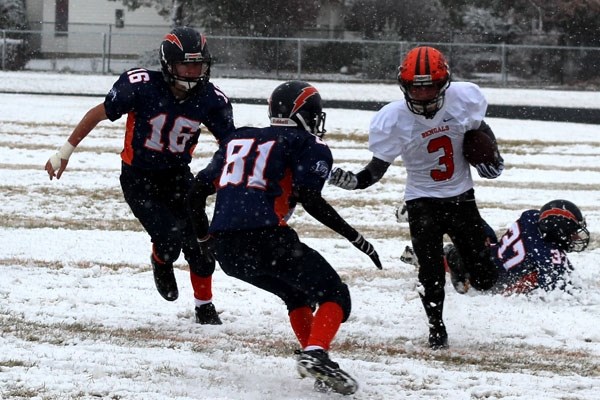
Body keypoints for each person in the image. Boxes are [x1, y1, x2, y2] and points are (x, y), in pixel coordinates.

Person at [186, 80, 382, 395]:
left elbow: (196, 192)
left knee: (296, 295)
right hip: (266, 238)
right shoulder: (307, 144)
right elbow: (310, 198)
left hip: (227, 249)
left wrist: (205, 241)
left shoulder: (237, 138)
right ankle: (316, 352)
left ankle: (316, 359)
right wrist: (356, 237)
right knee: (335, 294)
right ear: (306, 114)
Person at [44, 26, 234, 325]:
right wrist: (64, 151)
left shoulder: (211, 99)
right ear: (168, 65)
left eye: (199, 64)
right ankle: (161, 260)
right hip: (139, 178)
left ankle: (204, 306)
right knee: (169, 240)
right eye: (187, 63)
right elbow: (98, 112)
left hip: (177, 175)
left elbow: (232, 146)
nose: (194, 70)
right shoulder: (142, 85)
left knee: (200, 242)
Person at [328, 46, 504, 350]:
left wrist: (493, 158)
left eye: (430, 88)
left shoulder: (464, 99)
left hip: (461, 197)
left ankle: (453, 256)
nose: (422, 96)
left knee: (487, 279)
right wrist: (355, 182)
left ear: (444, 83)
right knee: (430, 272)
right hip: (421, 200)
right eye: (415, 88)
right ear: (404, 86)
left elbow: (481, 132)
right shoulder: (394, 118)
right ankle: (436, 328)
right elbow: (376, 169)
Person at [443, 199, 590, 295]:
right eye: (572, 231)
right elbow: (562, 288)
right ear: (558, 229)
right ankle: (448, 259)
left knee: (471, 220)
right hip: (488, 277)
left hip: (491, 252)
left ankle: (453, 253)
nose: (575, 237)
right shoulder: (546, 254)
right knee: (534, 278)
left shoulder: (531, 217)